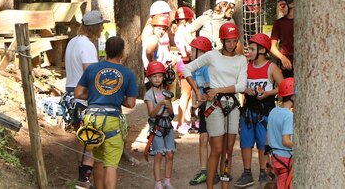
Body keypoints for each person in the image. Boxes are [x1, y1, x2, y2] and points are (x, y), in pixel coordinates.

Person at [183, 22, 247, 189]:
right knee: (217, 149)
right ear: (222, 40)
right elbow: (187, 69)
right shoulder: (212, 56)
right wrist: (197, 92)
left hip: (232, 104)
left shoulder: (241, 60)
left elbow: (241, 86)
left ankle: (224, 186)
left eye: (234, 41)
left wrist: (217, 89)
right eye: (228, 41)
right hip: (215, 106)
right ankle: (210, 186)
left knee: (228, 150)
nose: (231, 44)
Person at [74, 36, 139, 189]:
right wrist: (116, 99)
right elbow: (131, 103)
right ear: (122, 53)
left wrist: (96, 96)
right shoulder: (127, 74)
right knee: (110, 165)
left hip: (91, 118)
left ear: (105, 51)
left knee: (97, 159)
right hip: (111, 120)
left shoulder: (92, 69)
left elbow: (78, 93)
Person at [234, 33, 283, 187]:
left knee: (263, 143)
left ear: (262, 50)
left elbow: (283, 87)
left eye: (253, 49)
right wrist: (245, 90)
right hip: (248, 111)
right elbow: (240, 85)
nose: (249, 52)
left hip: (265, 112)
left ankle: (263, 171)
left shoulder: (272, 67)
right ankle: (247, 172)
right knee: (246, 142)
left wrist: (268, 93)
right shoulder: (246, 67)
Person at [64, 9, 105, 185]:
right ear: (94, 27)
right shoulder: (87, 45)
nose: (103, 28)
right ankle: (84, 179)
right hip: (82, 95)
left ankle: (82, 177)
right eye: (101, 25)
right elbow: (91, 73)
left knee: (82, 139)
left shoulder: (73, 41)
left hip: (72, 94)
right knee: (90, 139)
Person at [185, 36, 215, 186]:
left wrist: (199, 103)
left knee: (215, 141)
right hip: (203, 108)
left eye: (192, 50)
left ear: (201, 52)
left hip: (213, 108)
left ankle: (215, 170)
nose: (190, 52)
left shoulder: (207, 68)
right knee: (203, 139)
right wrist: (193, 110)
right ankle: (204, 171)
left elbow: (210, 91)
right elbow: (194, 91)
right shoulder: (194, 68)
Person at [145, 61, 177, 189]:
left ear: (163, 77)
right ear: (150, 78)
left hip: (167, 125)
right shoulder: (149, 95)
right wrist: (160, 104)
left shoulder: (166, 92)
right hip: (156, 126)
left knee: (170, 154)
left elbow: (171, 114)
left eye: (160, 76)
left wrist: (169, 107)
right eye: (154, 76)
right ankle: (158, 183)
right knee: (158, 154)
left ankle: (167, 182)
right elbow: (151, 114)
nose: (157, 79)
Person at [265, 78, 295, 189]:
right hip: (285, 159)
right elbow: (286, 141)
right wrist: (301, 148)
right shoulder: (288, 116)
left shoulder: (273, 111)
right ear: (292, 96)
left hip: (275, 157)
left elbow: (268, 136)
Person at [173, 6, 197, 133]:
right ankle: (181, 123)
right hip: (185, 63)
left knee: (189, 94)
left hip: (184, 63)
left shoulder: (178, 31)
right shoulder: (183, 31)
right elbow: (187, 50)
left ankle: (188, 119)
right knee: (186, 94)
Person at [268, 0, 294, 78]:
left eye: (282, 5)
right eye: (279, 6)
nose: (280, 9)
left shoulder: (303, 21)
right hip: (286, 63)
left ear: (292, 4)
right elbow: (272, 46)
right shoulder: (279, 23)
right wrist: (283, 58)